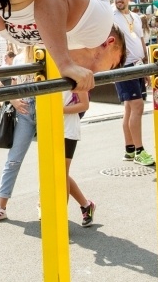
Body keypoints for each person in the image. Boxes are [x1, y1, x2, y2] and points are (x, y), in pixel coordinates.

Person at [0, 47, 38, 223]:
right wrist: (13, 100)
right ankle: (1, 207)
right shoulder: (20, 59)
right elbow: (9, 84)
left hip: (47, 107)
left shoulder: (47, 52)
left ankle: (45, 202)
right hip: (26, 110)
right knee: (13, 160)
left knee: (50, 161)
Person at [110, 0, 153, 166]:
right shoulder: (110, 15)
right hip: (122, 66)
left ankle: (129, 149)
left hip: (137, 65)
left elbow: (141, 40)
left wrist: (146, 67)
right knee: (137, 106)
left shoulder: (135, 16)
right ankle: (139, 150)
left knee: (129, 108)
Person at [62, 91, 96, 227]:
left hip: (68, 129)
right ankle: (86, 205)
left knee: (61, 172)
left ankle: (60, 217)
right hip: (49, 127)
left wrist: (59, 110)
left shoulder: (74, 73)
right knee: (58, 172)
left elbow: (84, 104)